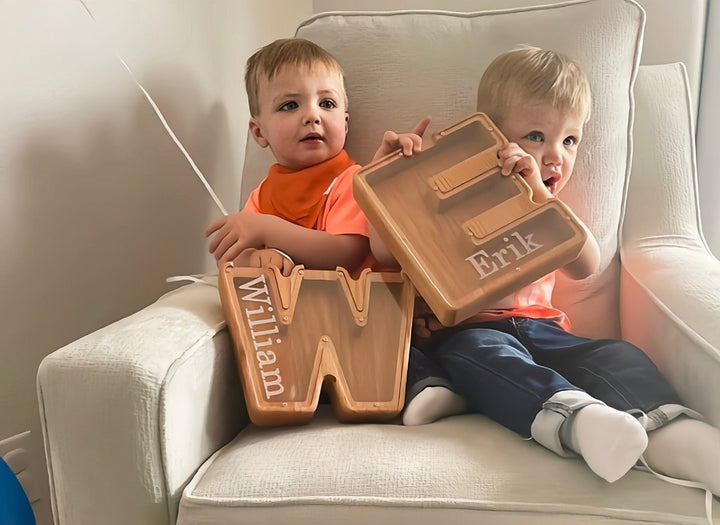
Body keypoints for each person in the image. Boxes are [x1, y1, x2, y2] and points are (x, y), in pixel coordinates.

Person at [371, 46, 720, 492]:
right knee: (479, 358)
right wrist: (384, 177)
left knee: (616, 354)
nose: (555, 156)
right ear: (490, 137)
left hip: (545, 330)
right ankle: (576, 420)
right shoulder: (451, 198)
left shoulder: (548, 207)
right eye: (536, 136)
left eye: (569, 140)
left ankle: (672, 430)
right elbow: (383, 253)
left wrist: (539, 198)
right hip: (470, 332)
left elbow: (586, 264)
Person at [205, 37, 425, 275]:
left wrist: (268, 230)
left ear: (345, 124)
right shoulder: (261, 196)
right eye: (290, 105)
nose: (312, 115)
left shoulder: (353, 181)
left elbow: (346, 253)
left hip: (369, 304)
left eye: (327, 103)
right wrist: (256, 257)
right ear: (259, 133)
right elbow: (232, 259)